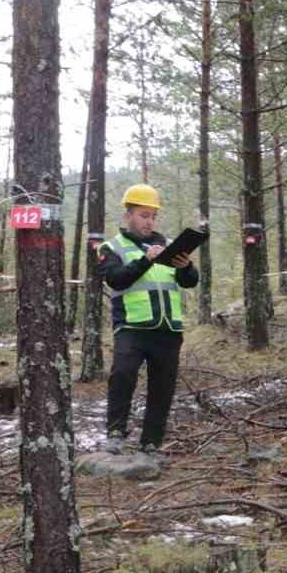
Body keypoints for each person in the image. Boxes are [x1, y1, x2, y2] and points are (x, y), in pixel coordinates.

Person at [98, 183, 199, 455]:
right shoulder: (111, 247)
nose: (149, 221)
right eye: (144, 215)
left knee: (163, 387)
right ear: (128, 215)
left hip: (168, 328)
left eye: (153, 216)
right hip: (131, 327)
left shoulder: (169, 246)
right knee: (122, 375)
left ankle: (151, 442)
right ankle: (116, 432)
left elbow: (190, 282)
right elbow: (115, 279)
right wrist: (145, 260)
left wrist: (186, 266)